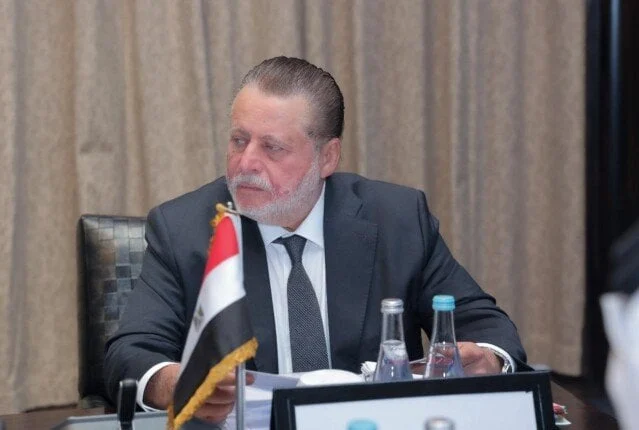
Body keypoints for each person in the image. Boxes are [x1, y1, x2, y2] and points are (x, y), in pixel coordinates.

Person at [104, 56, 528, 424]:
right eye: (239, 140)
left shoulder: (396, 219)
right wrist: (176, 383)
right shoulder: (185, 228)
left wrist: (488, 358)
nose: (246, 162)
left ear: (327, 157)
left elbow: (485, 325)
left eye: (272, 147)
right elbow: (131, 352)